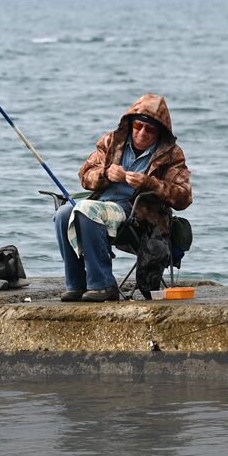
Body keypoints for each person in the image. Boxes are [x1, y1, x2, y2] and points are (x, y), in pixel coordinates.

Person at [55, 94, 192, 302]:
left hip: (137, 216)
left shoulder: (172, 154)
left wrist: (150, 183)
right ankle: (76, 284)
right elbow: (85, 174)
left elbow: (184, 197)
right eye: (138, 126)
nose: (142, 133)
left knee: (86, 210)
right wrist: (106, 173)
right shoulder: (111, 141)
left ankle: (103, 284)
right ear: (130, 123)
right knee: (63, 214)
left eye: (150, 129)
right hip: (101, 204)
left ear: (160, 132)